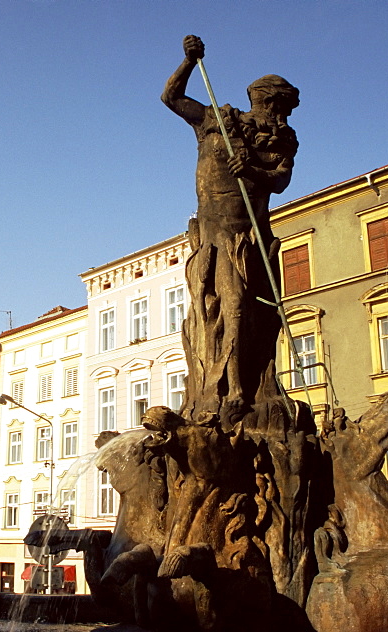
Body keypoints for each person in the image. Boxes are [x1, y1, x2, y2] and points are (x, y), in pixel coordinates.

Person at [161, 35, 300, 426]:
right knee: (221, 308)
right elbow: (171, 98)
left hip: (251, 237)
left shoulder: (280, 140)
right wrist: (188, 60)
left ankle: (244, 389)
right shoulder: (216, 121)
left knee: (246, 311)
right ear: (267, 103)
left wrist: (252, 169)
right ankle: (222, 389)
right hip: (212, 234)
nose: (283, 118)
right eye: (281, 109)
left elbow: (280, 181)